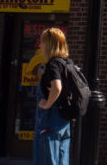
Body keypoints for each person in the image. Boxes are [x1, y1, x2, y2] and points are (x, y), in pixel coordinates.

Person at [34, 28, 71, 165]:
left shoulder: (53, 65)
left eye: (42, 42)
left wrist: (47, 104)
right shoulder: (66, 64)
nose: (40, 45)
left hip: (50, 122)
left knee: (48, 160)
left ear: (49, 44)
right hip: (63, 122)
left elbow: (57, 87)